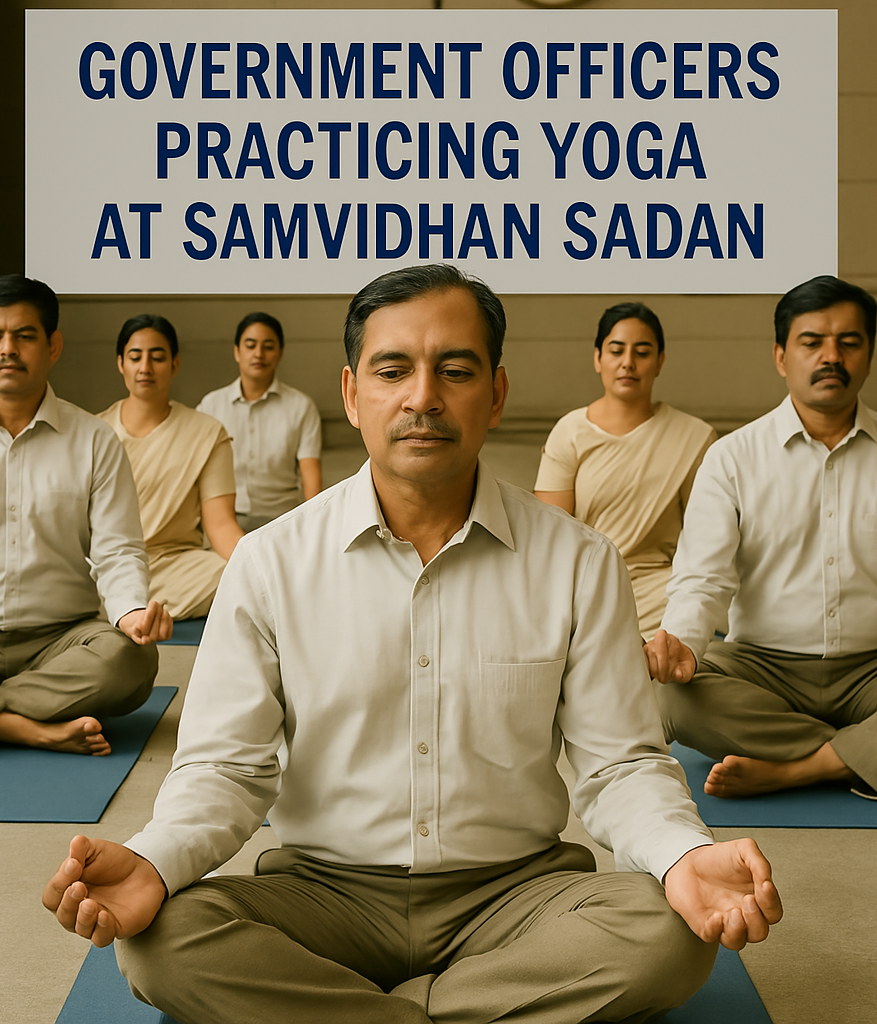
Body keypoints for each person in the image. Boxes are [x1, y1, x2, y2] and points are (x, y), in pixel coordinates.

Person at [44, 264, 782, 1024]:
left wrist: (684, 855)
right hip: (324, 893)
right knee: (160, 939)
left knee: (669, 933)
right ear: (351, 392)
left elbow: (621, 764)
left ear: (495, 394)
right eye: (392, 369)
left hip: (513, 894)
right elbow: (224, 768)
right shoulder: (271, 562)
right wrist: (156, 859)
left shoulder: (576, 561)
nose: (422, 396)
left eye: (454, 370)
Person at [645, 275, 877, 801]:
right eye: (812, 342)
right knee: (668, 700)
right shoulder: (733, 458)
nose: (831, 357)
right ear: (782, 356)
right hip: (762, 668)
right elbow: (703, 580)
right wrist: (682, 647)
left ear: (869, 354)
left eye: (849, 342)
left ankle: (802, 768)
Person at [0, 275, 170, 757]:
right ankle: (28, 728)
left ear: (53, 346)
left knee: (130, 661)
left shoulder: (95, 440)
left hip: (63, 642)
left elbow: (117, 548)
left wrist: (130, 611)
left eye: (25, 336)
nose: (8, 349)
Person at [535, 302, 716, 636]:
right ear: (597, 359)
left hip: (662, 596)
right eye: (616, 350)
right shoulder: (570, 431)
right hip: (584, 588)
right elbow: (548, 536)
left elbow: (708, 539)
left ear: (659, 361)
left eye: (642, 352)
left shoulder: (694, 437)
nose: (628, 363)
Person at [99, 315, 244, 621]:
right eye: (135, 357)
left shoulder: (207, 432)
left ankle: (128, 609)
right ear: (120, 363)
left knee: (233, 574)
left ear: (175, 364)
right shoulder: (94, 432)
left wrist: (260, 566)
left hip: (177, 566)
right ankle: (131, 605)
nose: (145, 368)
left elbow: (220, 524)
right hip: (107, 563)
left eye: (158, 357)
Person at [197, 312, 322, 531]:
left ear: (280, 353)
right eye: (250, 345)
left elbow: (310, 471)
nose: (259, 354)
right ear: (237, 351)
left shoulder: (301, 406)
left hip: (282, 519)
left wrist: (314, 525)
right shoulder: (211, 405)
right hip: (224, 517)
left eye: (268, 346)